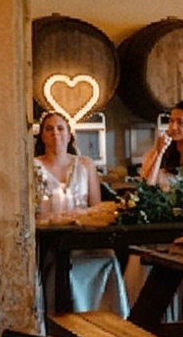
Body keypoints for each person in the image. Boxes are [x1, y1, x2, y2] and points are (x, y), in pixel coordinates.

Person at [36, 112, 123, 315]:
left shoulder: (85, 164)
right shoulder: (34, 166)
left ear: (69, 135)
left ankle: (106, 316)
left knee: (107, 258)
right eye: (48, 129)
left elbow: (96, 206)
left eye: (60, 128)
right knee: (59, 263)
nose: (55, 133)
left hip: (84, 237)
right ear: (42, 136)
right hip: (51, 237)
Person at [137, 103, 183, 187]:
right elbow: (146, 187)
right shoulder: (161, 153)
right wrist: (159, 153)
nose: (173, 127)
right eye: (171, 121)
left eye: (180, 122)